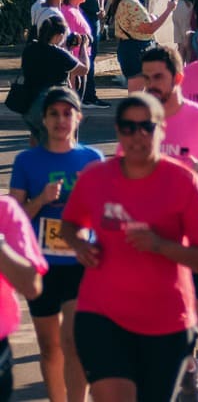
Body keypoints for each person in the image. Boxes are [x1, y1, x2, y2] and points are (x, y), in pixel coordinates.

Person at [60, 93, 198, 402]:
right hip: (101, 314)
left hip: (166, 320)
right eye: (128, 127)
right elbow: (70, 224)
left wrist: (161, 246)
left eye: (146, 127)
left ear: (162, 129)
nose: (137, 135)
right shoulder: (95, 178)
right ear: (118, 131)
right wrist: (79, 244)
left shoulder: (184, 182)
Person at [140, 44, 198, 402]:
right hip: (154, 237)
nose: (151, 85)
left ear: (178, 78)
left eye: (158, 78)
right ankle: (187, 378)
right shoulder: (139, 122)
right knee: (167, 315)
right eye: (146, 77)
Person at [9, 87, 101, 402]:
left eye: (67, 113)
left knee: (75, 342)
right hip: (41, 265)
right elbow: (14, 216)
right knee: (50, 346)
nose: (61, 120)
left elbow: (104, 212)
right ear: (44, 121)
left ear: (79, 118)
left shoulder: (92, 159)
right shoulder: (26, 161)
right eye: (54, 114)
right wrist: (41, 200)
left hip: (79, 261)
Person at [110, 0, 177, 94]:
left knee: (139, 93)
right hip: (135, 50)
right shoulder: (130, 3)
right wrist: (168, 10)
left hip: (133, 49)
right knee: (137, 95)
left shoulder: (129, 2)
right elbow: (149, 28)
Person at [18, 17, 83, 137]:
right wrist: (83, 47)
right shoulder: (58, 53)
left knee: (38, 141)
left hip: (29, 104)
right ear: (59, 35)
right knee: (59, 144)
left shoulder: (30, 49)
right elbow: (83, 70)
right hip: (51, 104)